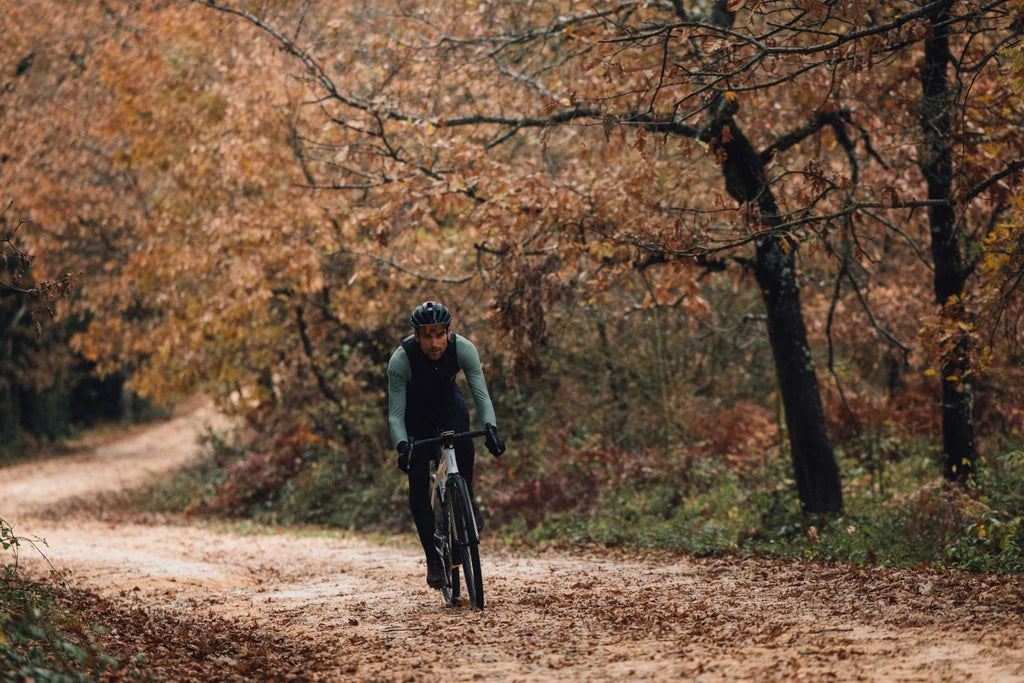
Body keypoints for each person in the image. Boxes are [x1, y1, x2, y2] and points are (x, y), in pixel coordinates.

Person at [387, 300, 506, 589]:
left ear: (448, 332)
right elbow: (395, 414)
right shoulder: (401, 360)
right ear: (417, 335)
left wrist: (491, 428)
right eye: (426, 335)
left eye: (439, 334)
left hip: (447, 405)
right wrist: (403, 445)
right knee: (417, 481)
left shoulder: (463, 349)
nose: (434, 342)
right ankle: (432, 558)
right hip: (415, 416)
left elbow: (481, 394)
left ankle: (468, 500)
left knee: (464, 439)